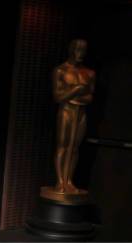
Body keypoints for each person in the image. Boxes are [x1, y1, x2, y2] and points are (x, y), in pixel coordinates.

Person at [52, 39, 95, 194]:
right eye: (78, 50)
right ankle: (60, 181)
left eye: (83, 50)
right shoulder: (61, 71)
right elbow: (57, 97)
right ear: (71, 50)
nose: (81, 54)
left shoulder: (89, 73)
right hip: (66, 112)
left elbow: (90, 97)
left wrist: (70, 95)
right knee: (63, 146)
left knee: (75, 147)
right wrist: (76, 90)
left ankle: (69, 180)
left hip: (81, 113)